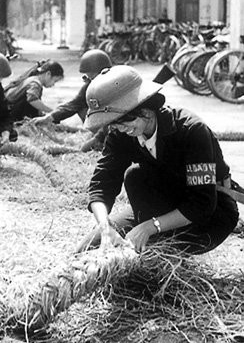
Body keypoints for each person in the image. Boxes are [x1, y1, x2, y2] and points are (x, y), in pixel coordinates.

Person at [76, 65, 239, 255]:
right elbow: (102, 182)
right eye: (114, 124)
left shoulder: (191, 131)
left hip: (210, 212)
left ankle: (158, 240)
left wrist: (149, 227)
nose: (121, 129)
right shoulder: (122, 133)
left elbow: (201, 204)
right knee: (87, 250)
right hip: (163, 200)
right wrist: (105, 227)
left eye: (125, 121)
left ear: (144, 109)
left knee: (138, 257)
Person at [34, 49, 112, 151]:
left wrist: (97, 139)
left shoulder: (113, 85)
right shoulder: (91, 85)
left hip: (117, 127)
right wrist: (50, 117)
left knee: (86, 148)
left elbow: (113, 117)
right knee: (82, 107)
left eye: (90, 76)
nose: (87, 79)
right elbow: (74, 104)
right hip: (103, 127)